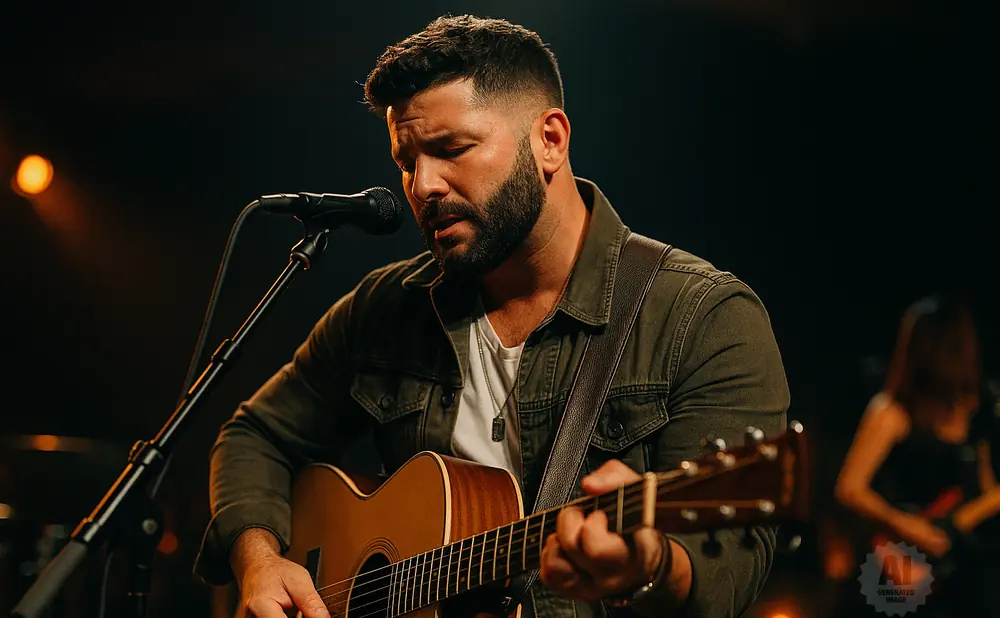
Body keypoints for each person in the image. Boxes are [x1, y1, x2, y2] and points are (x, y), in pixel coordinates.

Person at [193, 14, 790, 618]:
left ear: (549, 141)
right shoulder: (384, 307)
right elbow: (254, 436)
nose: (423, 184)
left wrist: (650, 566)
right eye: (407, 160)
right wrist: (259, 560)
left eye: (452, 149)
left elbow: (728, 570)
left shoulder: (704, 318)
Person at [835, 296, 1000, 616]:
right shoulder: (892, 411)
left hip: (965, 566)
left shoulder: (979, 411)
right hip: (900, 563)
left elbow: (982, 490)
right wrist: (909, 527)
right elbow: (849, 488)